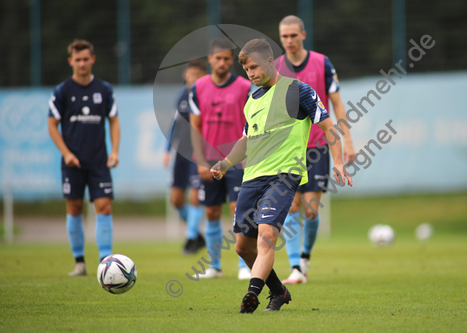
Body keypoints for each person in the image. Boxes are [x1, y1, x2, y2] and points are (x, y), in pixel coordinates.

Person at [210, 39, 352, 313]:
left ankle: (251, 295)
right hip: (252, 177)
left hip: (284, 176)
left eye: (254, 67)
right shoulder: (252, 100)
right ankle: (279, 291)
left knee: (266, 236)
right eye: (247, 70)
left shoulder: (298, 91)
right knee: (242, 247)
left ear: (269, 62)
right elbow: (246, 140)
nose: (251, 74)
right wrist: (225, 164)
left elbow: (329, 126)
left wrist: (337, 161)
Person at [276, 15, 356, 284]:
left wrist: (348, 141)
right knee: (291, 206)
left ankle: (305, 258)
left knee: (311, 209)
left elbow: (337, 103)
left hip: (318, 146)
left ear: (303, 35)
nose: (289, 40)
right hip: (287, 149)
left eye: (293, 35)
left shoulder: (322, 63)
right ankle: (295, 267)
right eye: (284, 36)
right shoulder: (275, 67)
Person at [48, 39, 120, 276]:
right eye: (77, 60)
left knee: (104, 206)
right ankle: (79, 262)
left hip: (98, 160)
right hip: (72, 162)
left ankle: (105, 262)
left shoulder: (104, 89)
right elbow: (52, 125)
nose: (82, 63)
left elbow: (114, 121)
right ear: (71, 62)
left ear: (93, 59)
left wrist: (115, 151)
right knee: (75, 206)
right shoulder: (62, 91)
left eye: (85, 59)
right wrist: (66, 154)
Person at [189, 38, 254, 280]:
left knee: (239, 210)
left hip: (237, 160)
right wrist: (200, 161)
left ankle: (243, 266)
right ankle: (214, 267)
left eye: (227, 58)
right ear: (210, 59)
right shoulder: (198, 87)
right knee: (212, 212)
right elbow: (194, 127)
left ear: (232, 60)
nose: (223, 63)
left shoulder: (244, 87)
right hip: (209, 160)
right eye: (218, 58)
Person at [163, 59, 207, 255]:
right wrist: (167, 150)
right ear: (185, 75)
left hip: (199, 151)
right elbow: (175, 125)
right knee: (176, 199)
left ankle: (190, 238)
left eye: (197, 74)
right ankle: (197, 235)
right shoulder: (182, 95)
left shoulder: (205, 95)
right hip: (181, 152)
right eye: (191, 74)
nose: (193, 78)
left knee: (196, 196)